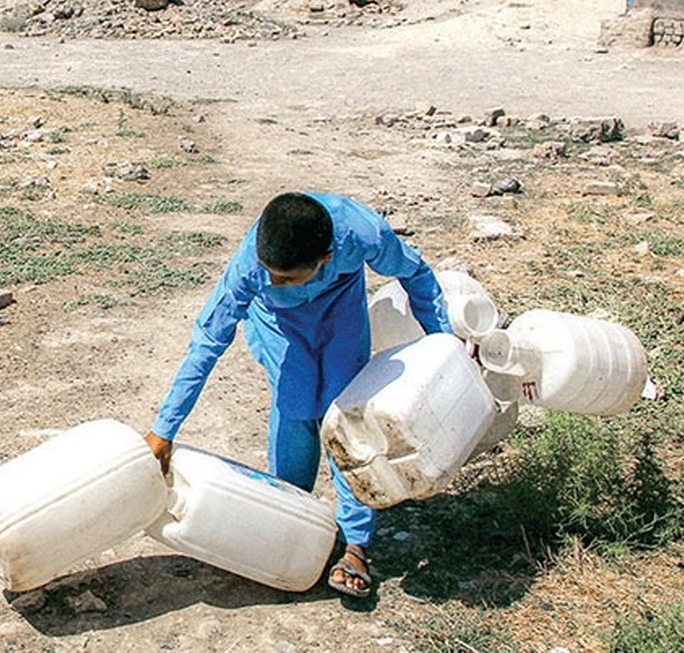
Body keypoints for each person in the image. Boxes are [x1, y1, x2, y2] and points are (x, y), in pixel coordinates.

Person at [145, 191, 454, 599]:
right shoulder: (252, 270)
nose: (272, 280)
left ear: (325, 257)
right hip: (276, 321)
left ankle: (356, 545)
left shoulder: (363, 233)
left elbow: (417, 275)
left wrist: (445, 349)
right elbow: (207, 342)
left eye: (286, 277)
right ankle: (291, 518)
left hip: (341, 307)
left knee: (346, 412)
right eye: (268, 271)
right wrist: (164, 429)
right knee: (295, 406)